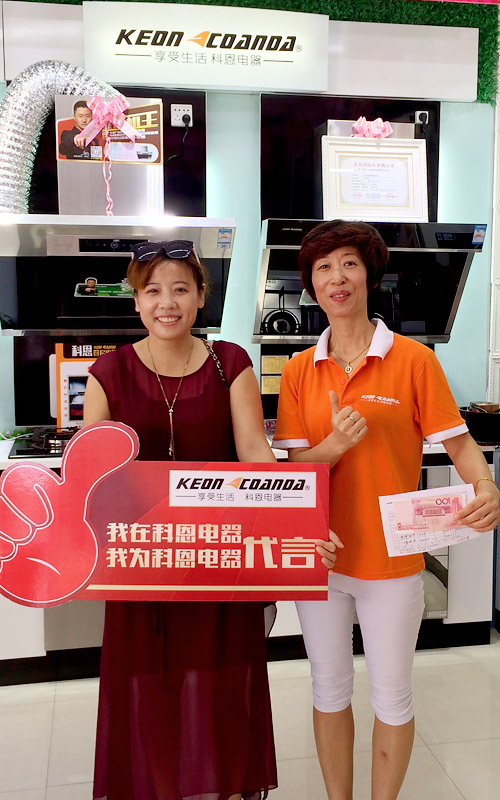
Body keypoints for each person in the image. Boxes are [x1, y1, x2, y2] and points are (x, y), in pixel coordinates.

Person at [83, 239, 336, 800]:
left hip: (220, 560)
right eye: (152, 291)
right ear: (136, 301)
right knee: (148, 688)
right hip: (143, 566)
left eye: (180, 289)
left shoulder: (231, 363)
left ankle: (222, 787)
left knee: (223, 682)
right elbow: (91, 474)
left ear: (201, 297)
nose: (166, 303)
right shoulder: (108, 373)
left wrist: (301, 523)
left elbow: (256, 456)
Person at [273, 220, 500, 800]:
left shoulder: (414, 361)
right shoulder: (298, 369)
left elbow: (461, 446)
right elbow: (295, 478)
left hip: (393, 562)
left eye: (348, 263)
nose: (336, 278)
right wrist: (334, 445)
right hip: (321, 559)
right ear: (311, 284)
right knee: (328, 690)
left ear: (370, 275)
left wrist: (486, 485)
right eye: (323, 267)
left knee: (393, 697)